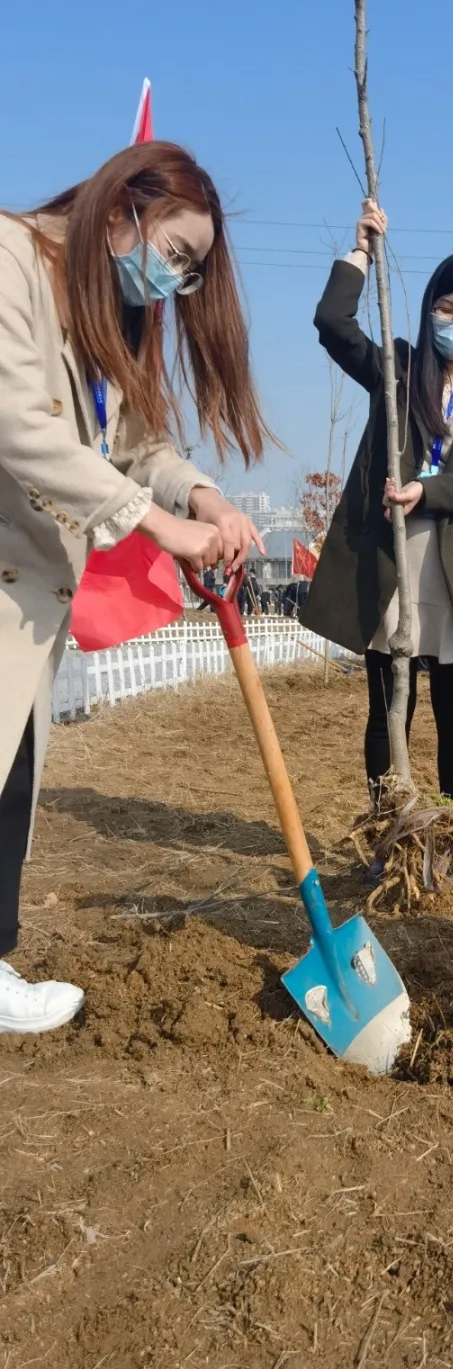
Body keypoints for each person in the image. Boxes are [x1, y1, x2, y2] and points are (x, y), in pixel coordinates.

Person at [0, 142, 269, 1032]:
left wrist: (202, 498)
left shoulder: (100, 310)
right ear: (123, 211)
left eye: (190, 274)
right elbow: (20, 427)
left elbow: (135, 443)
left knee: (12, 772)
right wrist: (155, 524)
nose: (175, 284)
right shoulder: (10, 260)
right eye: (177, 256)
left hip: (29, 590)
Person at [302, 200, 453, 886]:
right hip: (392, 562)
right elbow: (333, 324)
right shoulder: (397, 368)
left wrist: (428, 492)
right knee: (386, 710)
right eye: (448, 308)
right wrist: (361, 252)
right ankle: (391, 832)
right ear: (429, 307)